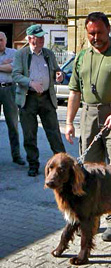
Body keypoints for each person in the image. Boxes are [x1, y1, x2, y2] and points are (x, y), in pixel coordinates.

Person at [65, 12, 111, 241]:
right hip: (89, 116)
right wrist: (69, 121)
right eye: (91, 33)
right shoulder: (82, 56)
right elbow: (74, 92)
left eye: (99, 32)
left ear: (108, 29)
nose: (95, 37)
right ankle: (90, 219)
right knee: (87, 171)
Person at [12, 24, 65, 177]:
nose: (42, 40)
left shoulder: (48, 54)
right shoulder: (20, 55)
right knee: (29, 134)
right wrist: (30, 82)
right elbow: (15, 75)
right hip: (28, 99)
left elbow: (57, 70)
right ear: (29, 39)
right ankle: (33, 164)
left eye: (43, 37)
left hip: (47, 98)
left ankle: (62, 164)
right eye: (38, 37)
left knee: (54, 132)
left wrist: (59, 75)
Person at [0, 32, 25, 166]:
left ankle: (16, 156)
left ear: (6, 40)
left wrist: (5, 66)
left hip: (9, 90)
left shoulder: (13, 53)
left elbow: (13, 68)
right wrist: (3, 66)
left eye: (1, 40)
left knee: (13, 124)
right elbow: (7, 68)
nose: (0, 42)